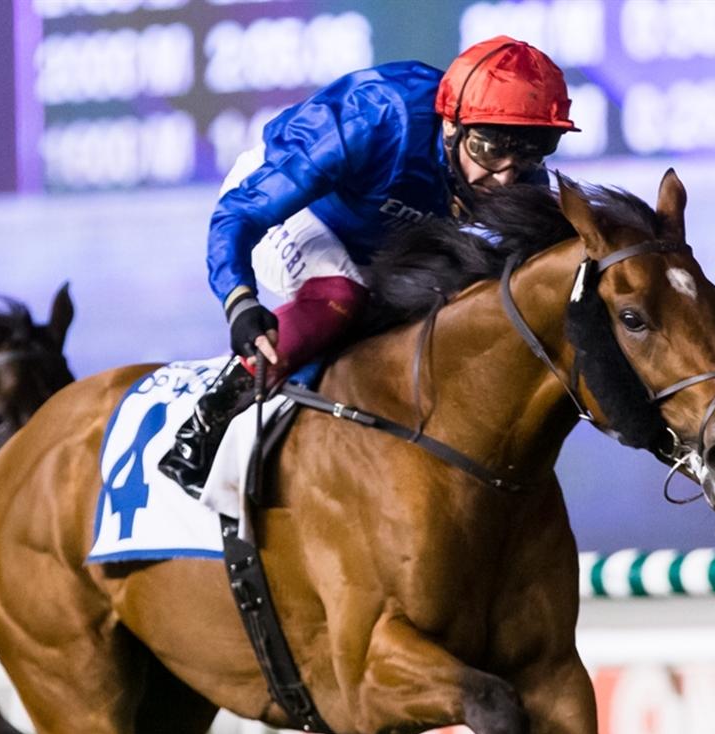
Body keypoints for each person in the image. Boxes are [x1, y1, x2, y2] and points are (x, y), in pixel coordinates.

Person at [158, 36, 581, 498]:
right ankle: (207, 421)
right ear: (451, 124)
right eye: (489, 149)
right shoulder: (379, 116)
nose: (503, 177)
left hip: (374, 240)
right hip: (293, 208)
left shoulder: (517, 176)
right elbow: (240, 214)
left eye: (526, 155)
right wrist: (239, 300)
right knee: (340, 296)